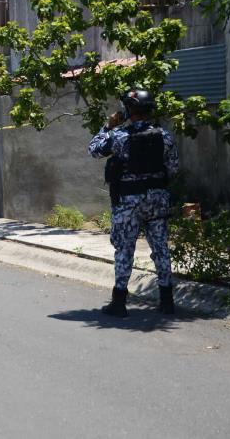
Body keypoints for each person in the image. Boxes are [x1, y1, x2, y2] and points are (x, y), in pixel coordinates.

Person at [88, 89, 179, 317]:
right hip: (157, 200)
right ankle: (167, 301)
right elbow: (173, 168)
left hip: (129, 202)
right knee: (160, 248)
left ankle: (119, 302)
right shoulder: (165, 136)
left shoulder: (119, 136)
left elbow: (94, 150)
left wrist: (108, 126)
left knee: (125, 249)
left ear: (129, 110)